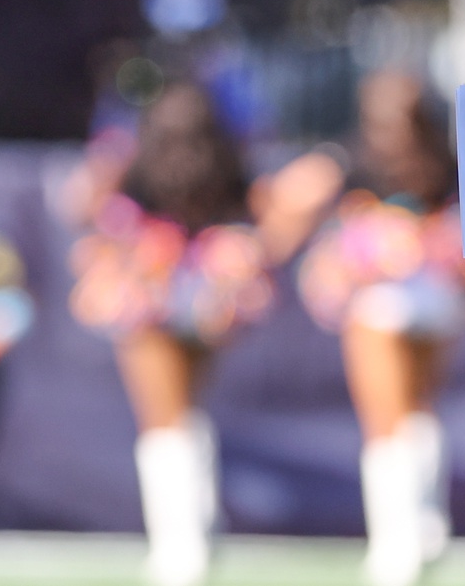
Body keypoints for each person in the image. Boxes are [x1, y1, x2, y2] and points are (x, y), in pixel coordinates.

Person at [68, 83, 338, 586]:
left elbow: (82, 206)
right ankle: (199, 531)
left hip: (152, 291)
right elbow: (289, 205)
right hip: (213, 291)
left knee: (164, 419)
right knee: (185, 412)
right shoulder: (229, 167)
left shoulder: (132, 168)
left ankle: (180, 547)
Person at [298, 70, 465, 586]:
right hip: (437, 299)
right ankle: (427, 528)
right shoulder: (442, 160)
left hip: (392, 300)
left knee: (386, 421)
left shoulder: (353, 159)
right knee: (416, 412)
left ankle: (396, 544)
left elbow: (292, 200)